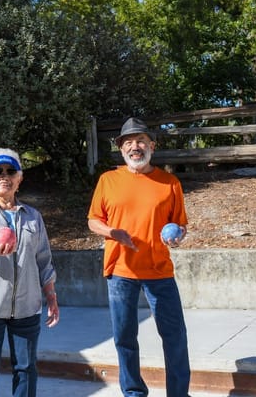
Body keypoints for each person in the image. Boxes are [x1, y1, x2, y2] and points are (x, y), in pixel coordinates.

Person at [87, 117, 190, 397]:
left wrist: (177, 236)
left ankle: (179, 394)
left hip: (160, 271)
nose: (135, 146)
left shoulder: (170, 182)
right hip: (121, 271)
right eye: (129, 142)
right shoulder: (108, 180)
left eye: (141, 141)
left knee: (175, 338)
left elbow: (180, 224)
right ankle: (133, 392)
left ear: (152, 146)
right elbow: (93, 221)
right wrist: (112, 232)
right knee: (124, 338)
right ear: (121, 149)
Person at [0, 148, 59, 397]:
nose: (4, 176)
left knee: (26, 369)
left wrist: (51, 296)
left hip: (27, 307)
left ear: (19, 179)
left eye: (11, 171)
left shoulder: (33, 216)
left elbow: (43, 259)